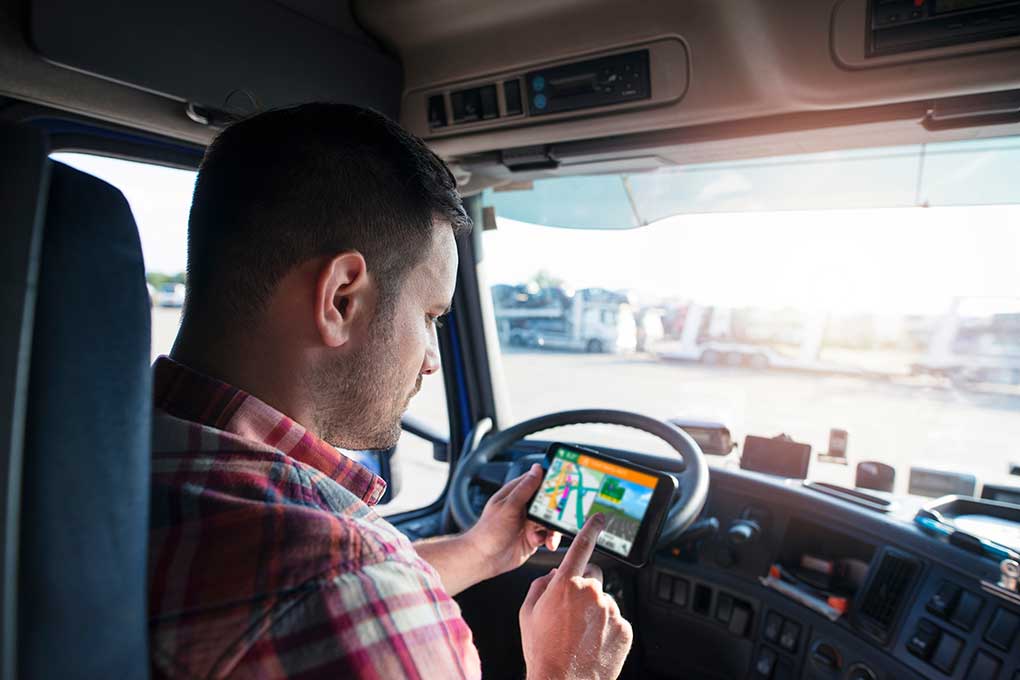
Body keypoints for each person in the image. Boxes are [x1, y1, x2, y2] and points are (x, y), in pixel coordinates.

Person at [148, 103, 633, 679]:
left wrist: (480, 551)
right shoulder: (346, 587)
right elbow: (347, 589)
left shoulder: (107, 446)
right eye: (429, 314)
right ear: (340, 298)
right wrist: (571, 671)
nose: (431, 360)